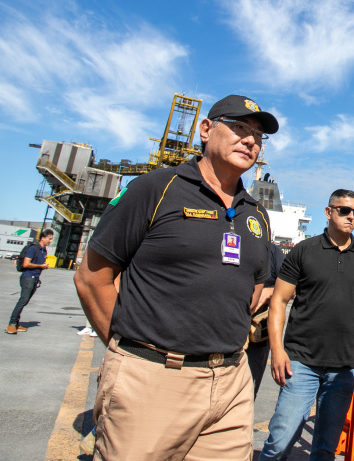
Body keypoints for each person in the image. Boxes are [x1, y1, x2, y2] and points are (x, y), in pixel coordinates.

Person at [73, 94, 278, 460]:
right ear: (205, 130)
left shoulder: (257, 215)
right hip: (153, 378)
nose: (250, 140)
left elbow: (257, 288)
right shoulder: (155, 188)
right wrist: (127, 353)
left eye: (259, 136)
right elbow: (92, 278)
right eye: (239, 128)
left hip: (231, 383)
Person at [259, 190, 354, 461]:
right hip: (301, 362)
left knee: (325, 449)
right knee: (279, 441)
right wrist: (277, 351)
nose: (351, 217)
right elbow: (278, 300)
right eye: (344, 211)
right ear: (329, 212)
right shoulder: (305, 250)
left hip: (346, 367)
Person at [246, 241, 286, 397]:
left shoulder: (273, 252)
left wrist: (268, 292)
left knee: (248, 392)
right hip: (223, 330)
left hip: (255, 336)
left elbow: (291, 286)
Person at [5, 229, 54, 334]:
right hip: (28, 278)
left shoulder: (43, 250)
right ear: (43, 238)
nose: (50, 241)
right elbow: (26, 264)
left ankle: (16, 323)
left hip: (35, 279)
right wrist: (40, 266)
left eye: (51, 239)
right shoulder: (33, 248)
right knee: (22, 301)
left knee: (25, 301)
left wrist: (42, 267)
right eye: (49, 239)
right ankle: (11, 324)